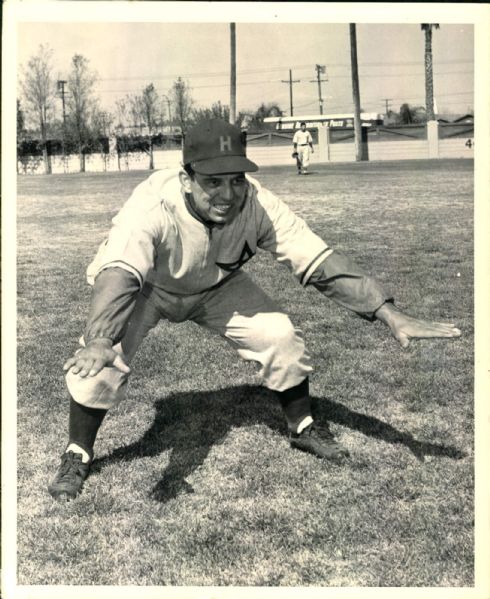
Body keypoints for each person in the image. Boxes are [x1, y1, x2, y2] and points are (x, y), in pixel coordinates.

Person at [48, 118, 461, 502]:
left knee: (280, 336)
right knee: (100, 363)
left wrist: (389, 312)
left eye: (237, 180)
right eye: (213, 182)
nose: (227, 195)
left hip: (216, 287)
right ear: (186, 179)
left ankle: (302, 428)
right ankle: (78, 452)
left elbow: (317, 259)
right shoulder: (153, 207)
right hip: (149, 288)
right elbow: (120, 273)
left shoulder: (259, 205)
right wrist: (102, 339)